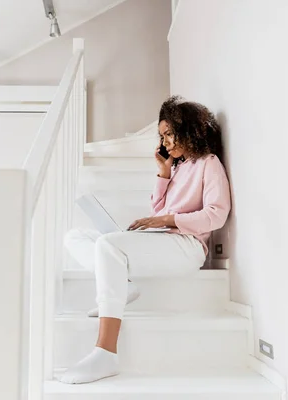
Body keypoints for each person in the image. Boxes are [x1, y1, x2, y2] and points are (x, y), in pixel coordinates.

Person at [59, 96, 232, 384]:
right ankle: (123, 285)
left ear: (188, 130)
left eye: (169, 134)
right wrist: (164, 174)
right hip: (163, 239)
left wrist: (168, 220)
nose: (165, 142)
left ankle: (105, 351)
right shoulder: (177, 167)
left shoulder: (208, 163)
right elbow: (157, 209)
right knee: (76, 237)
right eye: (162, 136)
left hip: (187, 247)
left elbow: (217, 215)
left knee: (108, 245)